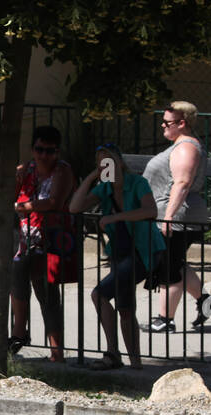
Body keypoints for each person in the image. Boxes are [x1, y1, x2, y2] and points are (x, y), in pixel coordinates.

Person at [69, 143, 164, 370]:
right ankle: (135, 363)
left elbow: (151, 211)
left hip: (143, 251)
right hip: (120, 253)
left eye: (108, 162)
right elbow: (74, 207)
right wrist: (92, 176)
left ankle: (113, 352)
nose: (105, 167)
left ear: (119, 162)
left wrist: (116, 218)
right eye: (100, 164)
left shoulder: (137, 183)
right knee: (125, 308)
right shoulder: (104, 189)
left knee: (99, 294)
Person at [12, 125, 76, 361]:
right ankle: (19, 332)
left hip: (51, 239)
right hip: (25, 237)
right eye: (39, 149)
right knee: (17, 282)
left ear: (57, 152)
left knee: (47, 294)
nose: (44, 155)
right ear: (33, 149)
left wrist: (23, 207)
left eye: (50, 151)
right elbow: (11, 193)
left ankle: (56, 350)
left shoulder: (63, 171)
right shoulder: (26, 169)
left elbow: (54, 202)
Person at [144, 100, 208, 332]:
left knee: (168, 266)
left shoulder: (186, 147)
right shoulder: (180, 145)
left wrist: (169, 217)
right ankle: (206, 301)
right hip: (171, 214)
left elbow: (182, 183)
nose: (162, 126)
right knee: (175, 262)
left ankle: (165, 319)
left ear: (182, 123)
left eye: (167, 122)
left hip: (178, 216)